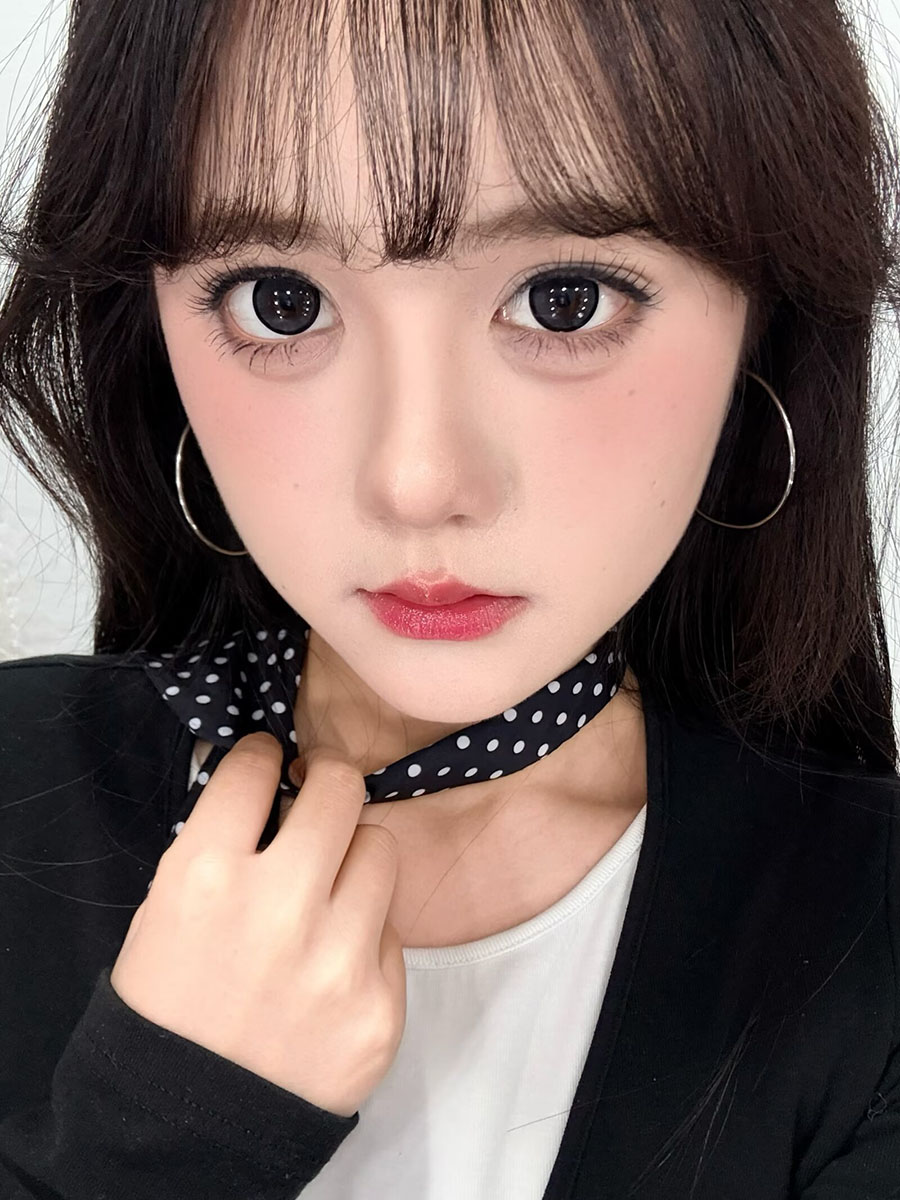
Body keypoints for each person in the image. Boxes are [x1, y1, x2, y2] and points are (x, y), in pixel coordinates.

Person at [0, 0, 899, 1195]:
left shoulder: (868, 955)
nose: (418, 480)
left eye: (566, 299)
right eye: (279, 300)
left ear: (760, 321)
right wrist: (163, 1133)